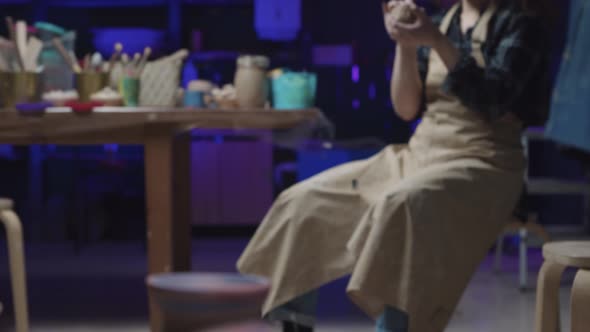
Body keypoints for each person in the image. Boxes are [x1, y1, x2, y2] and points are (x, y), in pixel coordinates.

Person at [238, 0, 552, 331]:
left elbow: (493, 101)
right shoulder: (440, 22)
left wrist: (437, 42)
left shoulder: (520, 24)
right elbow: (406, 109)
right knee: (304, 201)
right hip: (422, 154)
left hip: (486, 162)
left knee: (401, 205)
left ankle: (395, 327)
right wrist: (405, 43)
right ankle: (294, 323)